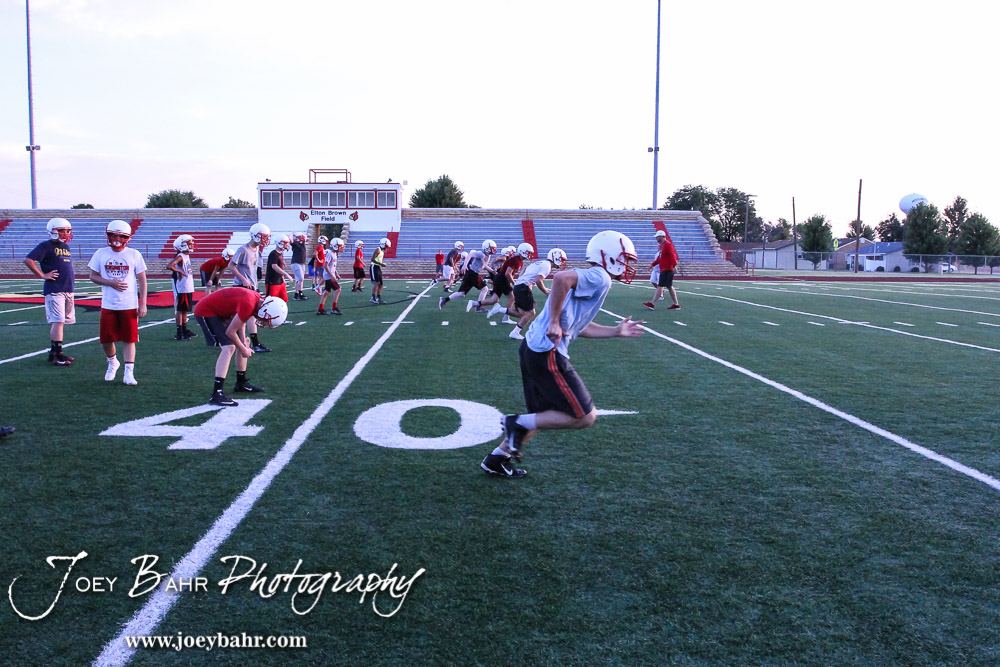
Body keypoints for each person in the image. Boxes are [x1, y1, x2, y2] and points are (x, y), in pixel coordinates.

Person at [480, 230, 645, 477]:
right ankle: (515, 424)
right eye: (623, 258)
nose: (626, 265)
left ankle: (497, 458)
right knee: (585, 416)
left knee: (543, 416)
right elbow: (561, 279)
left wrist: (615, 331)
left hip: (532, 347)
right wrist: (554, 322)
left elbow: (579, 325)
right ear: (607, 255)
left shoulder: (596, 278)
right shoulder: (601, 277)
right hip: (547, 351)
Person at [193, 287, 287, 406]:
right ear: (266, 310)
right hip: (206, 311)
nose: (263, 321)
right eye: (266, 318)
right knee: (229, 347)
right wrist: (243, 349)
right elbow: (230, 332)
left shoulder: (258, 301)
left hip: (221, 311)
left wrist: (243, 343)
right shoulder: (250, 302)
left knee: (244, 342)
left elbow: (241, 320)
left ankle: (241, 383)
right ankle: (216, 393)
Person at [88, 220, 148, 386]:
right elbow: (93, 276)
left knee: (129, 339)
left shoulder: (134, 254)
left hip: (128, 304)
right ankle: (113, 362)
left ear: (127, 237)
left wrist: (143, 303)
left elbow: (142, 280)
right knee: (106, 340)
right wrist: (110, 282)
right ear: (108, 234)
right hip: (108, 304)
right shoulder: (101, 253)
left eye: (121, 236)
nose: (117, 238)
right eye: (113, 235)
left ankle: (129, 372)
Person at [23, 217, 77, 366]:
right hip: (55, 289)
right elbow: (29, 260)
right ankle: (57, 354)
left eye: (67, 231)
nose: (65, 233)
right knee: (58, 321)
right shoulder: (45, 246)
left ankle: (55, 352)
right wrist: (42, 275)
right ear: (53, 230)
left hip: (67, 288)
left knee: (62, 322)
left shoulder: (66, 246)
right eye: (62, 230)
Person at [490, 247, 566, 340]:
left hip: (520, 286)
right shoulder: (547, 266)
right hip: (523, 287)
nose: (562, 262)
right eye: (561, 259)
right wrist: (546, 292)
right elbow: (538, 280)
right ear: (555, 257)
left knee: (521, 313)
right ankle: (515, 332)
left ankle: (499, 309)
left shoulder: (541, 262)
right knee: (531, 313)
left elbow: (527, 269)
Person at [230, 223, 271, 352]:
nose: (265, 240)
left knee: (251, 315)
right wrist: (243, 279)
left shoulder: (257, 250)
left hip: (252, 287)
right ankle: (253, 343)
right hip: (242, 287)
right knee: (246, 316)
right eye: (263, 237)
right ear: (255, 235)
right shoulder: (243, 249)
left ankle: (251, 343)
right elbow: (231, 266)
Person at [438, 240, 497, 311]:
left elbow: (484, 265)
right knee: (485, 289)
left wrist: (492, 271)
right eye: (492, 248)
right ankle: (479, 307)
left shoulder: (487, 256)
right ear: (487, 247)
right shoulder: (482, 254)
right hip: (473, 274)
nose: (494, 250)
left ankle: (444, 299)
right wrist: (465, 265)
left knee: (461, 293)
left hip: (470, 274)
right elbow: (471, 254)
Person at [476, 242, 532, 316]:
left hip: (500, 278)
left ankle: (474, 303)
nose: (529, 255)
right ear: (523, 252)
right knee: (512, 298)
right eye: (528, 253)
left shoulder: (518, 260)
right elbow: (507, 273)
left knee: (494, 300)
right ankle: (505, 317)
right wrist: (514, 283)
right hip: (502, 279)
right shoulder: (515, 260)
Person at [167, 234, 198, 340]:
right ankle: (179, 333)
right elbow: (170, 265)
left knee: (185, 310)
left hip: (187, 286)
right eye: (190, 243)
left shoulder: (186, 255)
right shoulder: (180, 256)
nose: (192, 245)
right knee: (180, 310)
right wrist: (178, 271)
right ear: (183, 245)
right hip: (182, 287)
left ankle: (184, 330)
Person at [643, 229, 680, 310]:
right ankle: (676, 304)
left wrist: (674, 266)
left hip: (667, 269)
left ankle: (652, 304)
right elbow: (660, 258)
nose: (656, 239)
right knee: (669, 287)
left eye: (657, 237)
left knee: (660, 286)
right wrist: (652, 265)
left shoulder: (667, 245)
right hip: (665, 268)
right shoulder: (663, 246)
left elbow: (672, 256)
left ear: (661, 237)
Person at [317, 238, 344, 315]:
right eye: (340, 246)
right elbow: (326, 266)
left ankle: (320, 309)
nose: (341, 248)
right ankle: (334, 308)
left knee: (326, 292)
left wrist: (336, 274)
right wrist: (332, 276)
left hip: (329, 275)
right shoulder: (330, 254)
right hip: (328, 276)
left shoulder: (334, 254)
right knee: (338, 289)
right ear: (335, 246)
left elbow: (333, 266)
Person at [264, 235, 293, 304]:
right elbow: (274, 266)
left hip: (280, 281)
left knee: (284, 300)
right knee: (271, 302)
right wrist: (286, 274)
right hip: (272, 282)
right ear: (279, 243)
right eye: (284, 243)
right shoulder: (273, 253)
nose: (286, 245)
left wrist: (282, 278)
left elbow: (280, 266)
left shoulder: (280, 253)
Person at [370, 237, 391, 304]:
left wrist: (380, 264)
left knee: (381, 283)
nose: (387, 248)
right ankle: (373, 298)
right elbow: (372, 259)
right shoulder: (378, 250)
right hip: (374, 266)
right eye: (386, 246)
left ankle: (378, 298)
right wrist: (381, 264)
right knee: (377, 282)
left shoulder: (381, 251)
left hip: (378, 267)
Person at [290, 232, 309, 300]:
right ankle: (299, 293)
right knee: (300, 279)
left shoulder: (302, 243)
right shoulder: (295, 243)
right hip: (296, 263)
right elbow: (290, 239)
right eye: (299, 236)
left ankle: (297, 294)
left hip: (301, 264)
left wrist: (301, 235)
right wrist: (293, 234)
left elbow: (305, 236)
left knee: (299, 279)